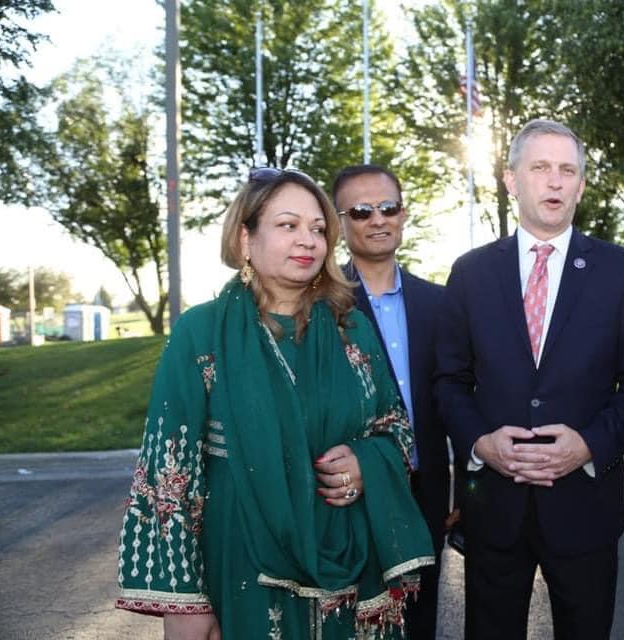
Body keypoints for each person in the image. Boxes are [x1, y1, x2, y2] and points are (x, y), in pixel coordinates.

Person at [115, 167, 434, 640]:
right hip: (243, 563)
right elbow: (169, 476)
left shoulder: (353, 331)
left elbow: (396, 428)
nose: (308, 240)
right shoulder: (201, 335)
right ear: (246, 238)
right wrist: (185, 602)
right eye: (288, 225)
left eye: (319, 229)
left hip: (350, 565)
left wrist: (368, 462)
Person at [435, 118, 624, 639]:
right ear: (512, 180)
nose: (555, 181)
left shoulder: (622, 272)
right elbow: (449, 381)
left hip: (584, 510)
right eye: (541, 168)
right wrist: (480, 443)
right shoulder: (471, 273)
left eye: (568, 170)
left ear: (582, 185)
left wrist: (589, 444)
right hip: (495, 509)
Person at [331, 163, 454, 639]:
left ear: (404, 215)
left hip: (425, 494)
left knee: (420, 622)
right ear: (341, 223)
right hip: (349, 495)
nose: (377, 219)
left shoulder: (440, 303)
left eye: (388, 207)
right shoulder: (323, 305)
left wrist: (463, 490)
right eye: (361, 211)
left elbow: (456, 398)